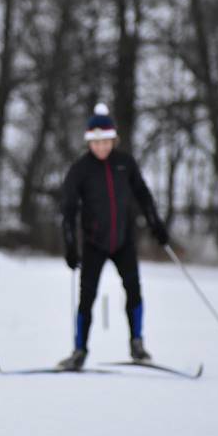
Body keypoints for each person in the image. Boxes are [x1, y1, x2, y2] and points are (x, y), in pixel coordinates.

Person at [57, 103, 168, 371]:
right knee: (87, 297)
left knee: (134, 290)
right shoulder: (81, 168)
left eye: (106, 141)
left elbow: (143, 195)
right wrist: (70, 245)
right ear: (89, 143)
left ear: (113, 139)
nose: (101, 147)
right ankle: (80, 350)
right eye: (95, 142)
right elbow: (68, 209)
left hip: (124, 240)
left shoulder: (125, 163)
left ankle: (137, 343)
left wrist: (156, 226)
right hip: (94, 243)